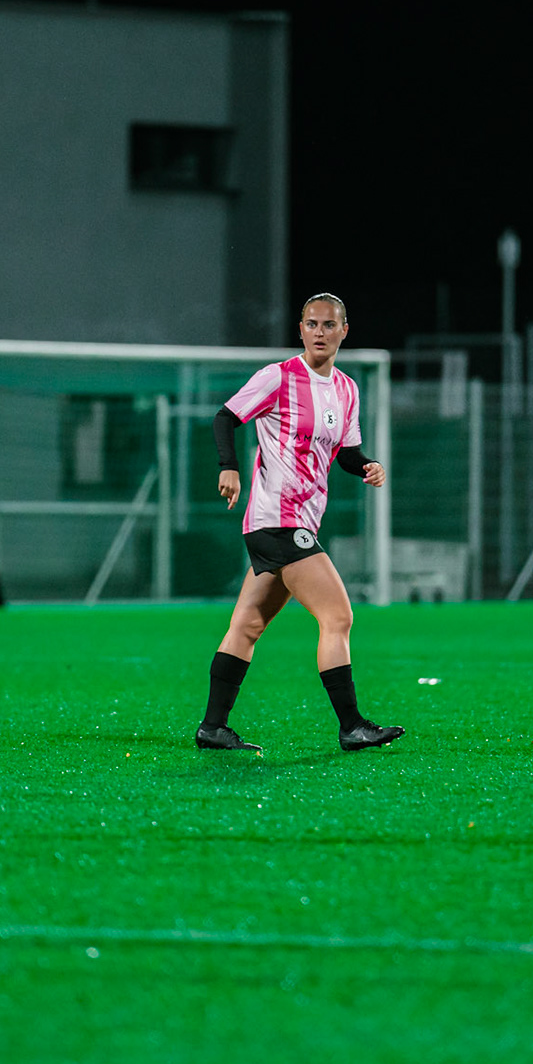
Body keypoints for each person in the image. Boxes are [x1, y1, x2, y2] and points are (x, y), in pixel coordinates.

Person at [194, 293, 404, 753]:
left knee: (247, 624)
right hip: (278, 520)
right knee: (338, 615)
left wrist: (366, 464)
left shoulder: (347, 390)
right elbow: (226, 417)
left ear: (344, 330)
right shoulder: (279, 377)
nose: (319, 332)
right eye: (311, 324)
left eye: (329, 325)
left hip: (297, 520)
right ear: (301, 329)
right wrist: (227, 466)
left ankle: (213, 727)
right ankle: (352, 726)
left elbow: (344, 453)